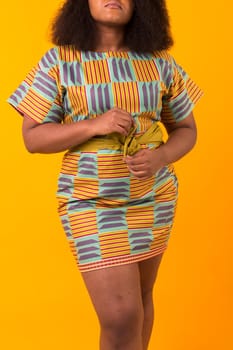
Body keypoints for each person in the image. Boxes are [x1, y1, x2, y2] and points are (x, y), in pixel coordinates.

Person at [7, 1, 203, 349]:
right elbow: (32, 138)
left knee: (141, 300)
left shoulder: (160, 62)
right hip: (90, 201)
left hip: (152, 198)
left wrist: (162, 157)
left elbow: (186, 129)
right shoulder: (60, 61)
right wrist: (94, 124)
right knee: (121, 314)